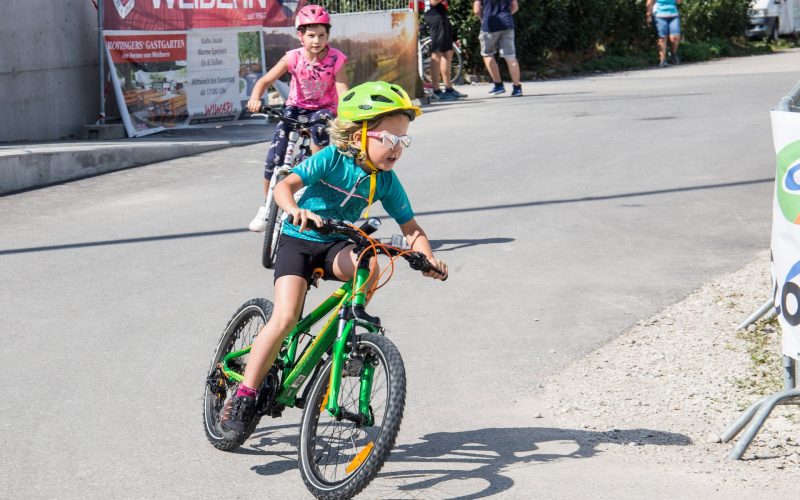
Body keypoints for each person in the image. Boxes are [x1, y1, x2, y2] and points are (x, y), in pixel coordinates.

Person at [221, 81, 449, 441]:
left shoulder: (386, 182)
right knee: (285, 318)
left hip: (335, 244)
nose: (396, 150)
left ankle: (347, 333)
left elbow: (412, 229)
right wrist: (295, 210)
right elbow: (284, 186)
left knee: (369, 262)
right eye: (389, 139)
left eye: (403, 141)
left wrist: (428, 258)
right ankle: (244, 396)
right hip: (299, 240)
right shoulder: (332, 159)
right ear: (358, 135)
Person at [246, 4, 349, 232]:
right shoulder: (292, 57)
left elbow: (343, 91)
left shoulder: (336, 59)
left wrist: (344, 116)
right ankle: (266, 207)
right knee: (275, 157)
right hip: (296, 108)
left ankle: (314, 178)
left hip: (323, 109)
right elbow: (264, 81)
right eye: (311, 35)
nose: (316, 40)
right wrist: (255, 97)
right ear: (300, 35)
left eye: (322, 35)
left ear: (328, 36)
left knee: (321, 130)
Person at [473, 0, 522, 97]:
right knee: (510, 56)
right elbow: (515, 7)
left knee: (487, 54)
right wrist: (506, 15)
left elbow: (476, 10)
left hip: (490, 24)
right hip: (507, 23)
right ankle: (517, 88)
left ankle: (498, 85)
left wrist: (482, 18)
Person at [424, 0, 466, 101]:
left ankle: (449, 88)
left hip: (442, 16)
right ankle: (436, 90)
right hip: (434, 16)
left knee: (448, 52)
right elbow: (433, 2)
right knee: (437, 53)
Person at [646, 0, 682, 68]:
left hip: (673, 14)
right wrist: (648, 15)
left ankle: (673, 54)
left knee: (675, 37)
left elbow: (678, 2)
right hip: (659, 14)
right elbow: (649, 2)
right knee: (662, 37)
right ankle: (662, 60)